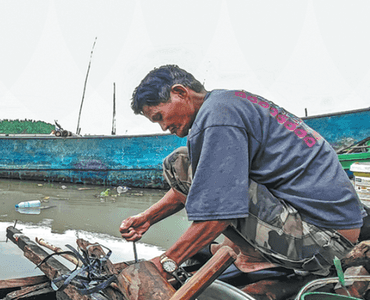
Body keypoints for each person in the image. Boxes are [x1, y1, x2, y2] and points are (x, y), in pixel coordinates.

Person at [119, 64, 365, 277]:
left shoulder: (218, 117)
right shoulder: (227, 103)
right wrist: (148, 218)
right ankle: (249, 251)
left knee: (217, 189)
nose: (163, 127)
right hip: (326, 226)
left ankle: (253, 256)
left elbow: (217, 212)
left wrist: (165, 265)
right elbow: (198, 179)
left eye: (160, 116)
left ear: (181, 93)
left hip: (322, 242)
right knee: (180, 163)